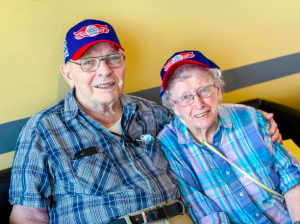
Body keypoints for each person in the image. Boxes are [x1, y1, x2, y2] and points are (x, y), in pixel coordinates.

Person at [8, 19, 280, 224]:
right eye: (88, 63)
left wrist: (256, 117)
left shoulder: (154, 114)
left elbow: (196, 109)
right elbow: (28, 215)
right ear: (68, 73)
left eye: (113, 58)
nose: (105, 70)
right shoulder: (43, 130)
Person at [157, 50, 300, 224]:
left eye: (204, 90)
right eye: (185, 97)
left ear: (218, 90)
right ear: (174, 106)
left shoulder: (250, 117)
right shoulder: (169, 146)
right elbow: (203, 212)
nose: (199, 104)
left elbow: (291, 176)